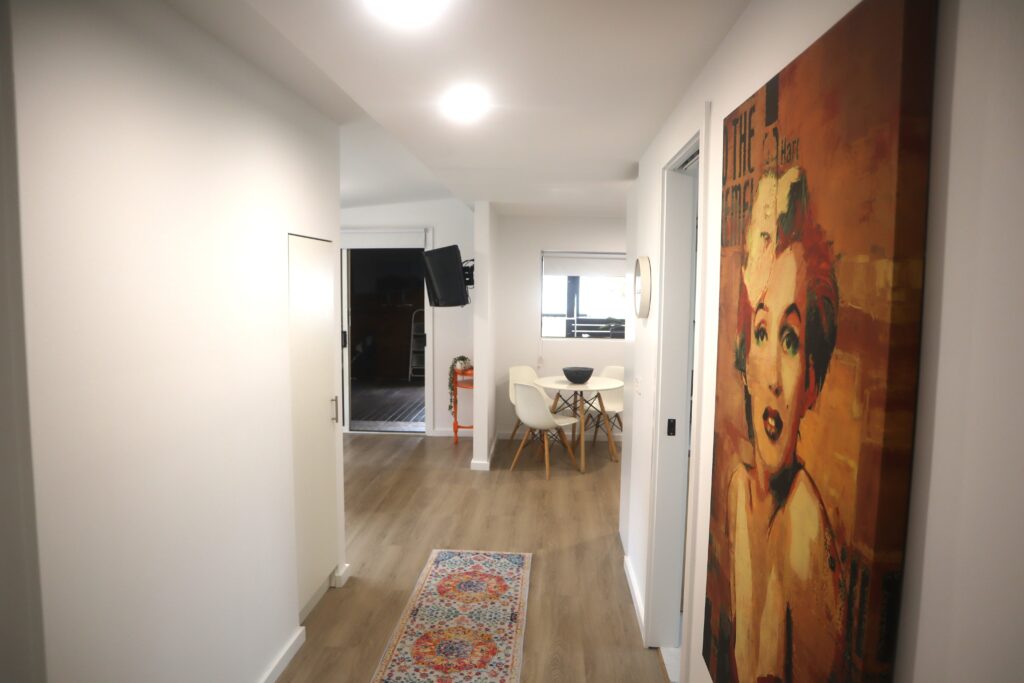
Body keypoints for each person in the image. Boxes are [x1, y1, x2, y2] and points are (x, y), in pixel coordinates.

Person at [726, 167, 845, 682]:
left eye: (792, 341)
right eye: (761, 333)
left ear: (811, 383)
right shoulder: (735, 493)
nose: (773, 372)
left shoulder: (805, 530)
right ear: (743, 359)